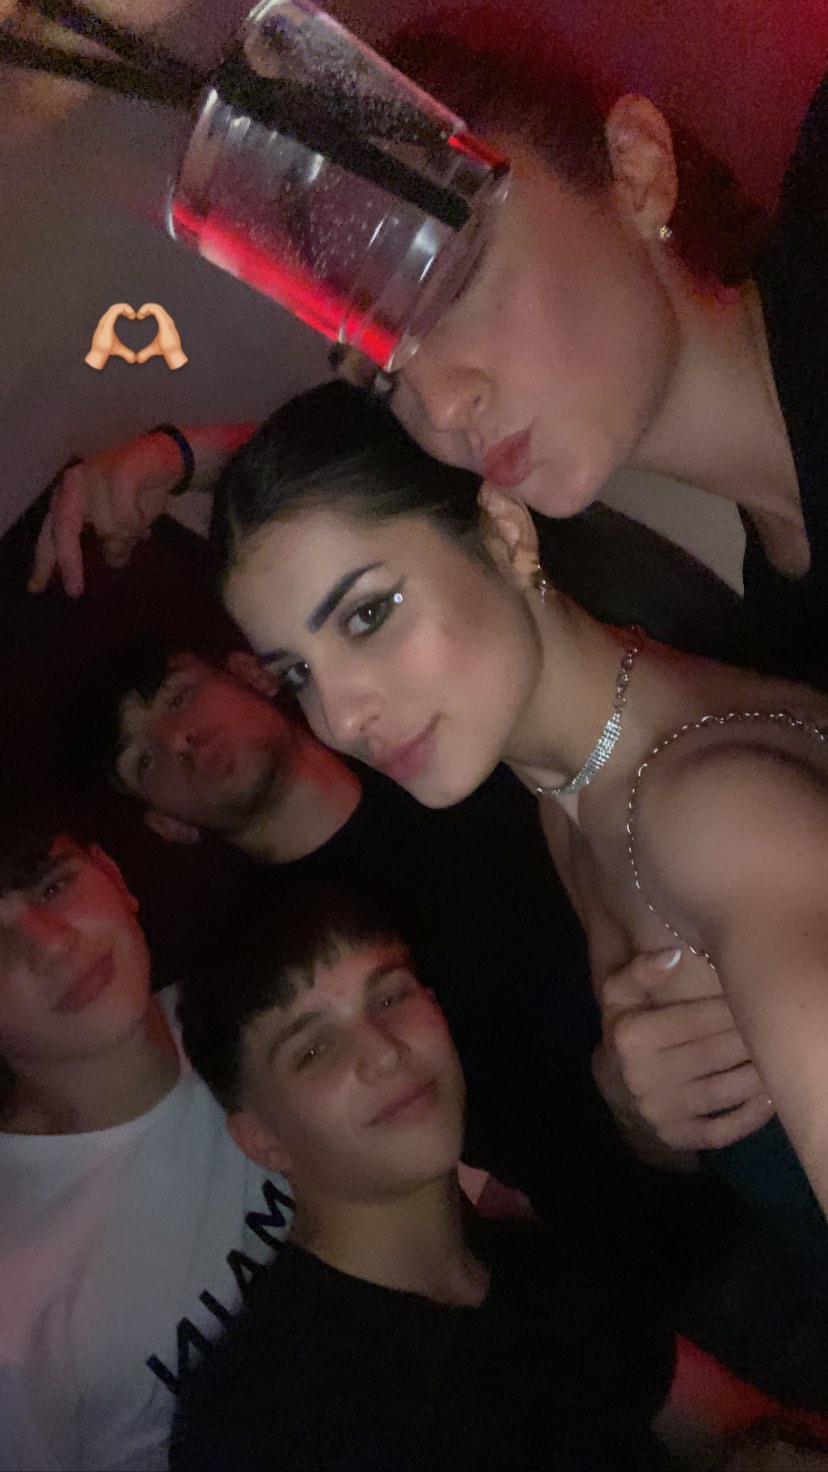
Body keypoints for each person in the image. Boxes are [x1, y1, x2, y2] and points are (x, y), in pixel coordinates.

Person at [214, 380, 828, 1401]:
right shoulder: (569, 792)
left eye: (368, 613)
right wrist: (639, 1110)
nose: (341, 715)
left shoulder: (705, 810)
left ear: (503, 532)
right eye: (297, 673)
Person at [27, 19, 827, 687]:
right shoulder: (790, 634)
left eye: (450, 282)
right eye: (383, 376)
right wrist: (195, 457)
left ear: (636, 166)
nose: (440, 408)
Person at [170, 877, 676, 1472]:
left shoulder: (545, 1264)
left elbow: (723, 1422)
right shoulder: (259, 1423)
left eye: (390, 998)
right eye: (313, 1051)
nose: (385, 1052)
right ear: (263, 1140)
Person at [0, 799, 293, 1472]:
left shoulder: (266, 1013)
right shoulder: (13, 1303)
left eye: (53, 885)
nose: (52, 943)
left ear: (113, 875)